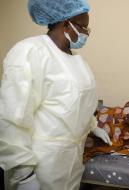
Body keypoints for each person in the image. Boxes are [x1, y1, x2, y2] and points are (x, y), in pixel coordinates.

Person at [0, 0, 111, 189]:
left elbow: (75, 104)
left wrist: (92, 126)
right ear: (65, 23)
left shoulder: (77, 61)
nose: (87, 33)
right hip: (42, 162)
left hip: (71, 160)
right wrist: (23, 174)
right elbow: (12, 118)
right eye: (83, 27)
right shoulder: (30, 52)